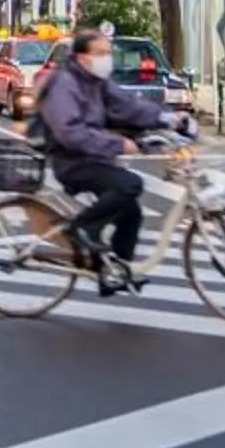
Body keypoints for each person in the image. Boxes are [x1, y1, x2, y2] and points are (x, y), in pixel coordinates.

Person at [36, 31, 173, 296]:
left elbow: (128, 106)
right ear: (81, 57)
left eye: (108, 53)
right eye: (100, 53)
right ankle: (82, 229)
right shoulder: (64, 84)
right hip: (72, 162)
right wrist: (118, 144)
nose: (106, 59)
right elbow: (70, 132)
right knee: (131, 184)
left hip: (94, 158)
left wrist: (169, 119)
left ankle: (113, 272)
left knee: (131, 212)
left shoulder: (97, 82)